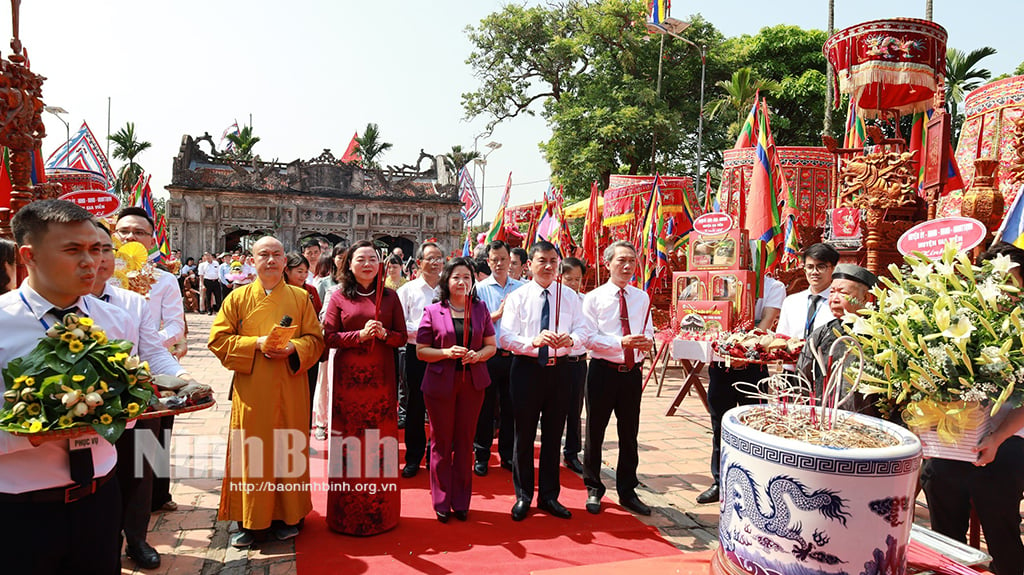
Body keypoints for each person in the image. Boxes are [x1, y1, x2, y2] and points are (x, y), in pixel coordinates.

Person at [0, 200, 129, 574]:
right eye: (73, 250)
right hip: (20, 509)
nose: (92, 262)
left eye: (97, 249)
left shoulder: (113, 321)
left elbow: (127, 412)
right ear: (29, 256)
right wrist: (33, 434)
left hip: (100, 497)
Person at [91, 222, 209, 570]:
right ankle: (105, 540)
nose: (97, 259)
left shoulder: (137, 299)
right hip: (90, 403)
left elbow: (159, 343)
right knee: (101, 475)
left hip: (145, 389)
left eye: (103, 250)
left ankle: (138, 538)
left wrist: (182, 379)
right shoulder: (67, 298)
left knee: (141, 466)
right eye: (121, 234)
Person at [208, 236, 325, 548]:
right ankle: (250, 519)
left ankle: (290, 517)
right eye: (264, 255)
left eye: (277, 254)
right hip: (252, 388)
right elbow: (218, 341)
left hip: (290, 385)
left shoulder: (301, 299)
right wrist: (255, 344)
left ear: (285, 261)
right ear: (252, 260)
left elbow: (316, 341)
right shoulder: (237, 298)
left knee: (287, 449)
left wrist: (293, 347)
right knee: (252, 452)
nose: (271, 260)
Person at [921, 242, 1024, 575]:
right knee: (940, 497)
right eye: (991, 279)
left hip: (1009, 441)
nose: (1000, 289)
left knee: (999, 520)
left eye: (1010, 280)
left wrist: (996, 439)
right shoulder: (955, 318)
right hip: (954, 441)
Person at [500, 241, 592, 521]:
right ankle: (523, 495)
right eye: (542, 260)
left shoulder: (571, 296)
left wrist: (572, 339)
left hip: (560, 370)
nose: (549, 266)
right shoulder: (518, 296)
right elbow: (505, 337)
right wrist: (533, 341)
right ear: (530, 264)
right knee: (524, 435)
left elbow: (585, 329)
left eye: (554, 260)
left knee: (553, 435)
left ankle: (549, 496)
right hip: (527, 369)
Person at [322, 240, 407, 535]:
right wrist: (358, 336)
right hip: (348, 382)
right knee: (349, 443)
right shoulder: (338, 297)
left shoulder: (391, 298)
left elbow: (402, 338)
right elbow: (329, 337)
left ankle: (380, 514)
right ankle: (345, 514)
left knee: (378, 444)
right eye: (361, 259)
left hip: (381, 381)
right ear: (349, 264)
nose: (367, 264)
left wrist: (384, 334)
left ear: (379, 264)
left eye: (372, 258)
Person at [113, 207, 187, 514]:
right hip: (109, 368)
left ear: (152, 239)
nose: (131, 237)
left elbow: (175, 325)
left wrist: (147, 342)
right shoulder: (103, 278)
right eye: (124, 231)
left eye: (139, 232)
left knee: (154, 436)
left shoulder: (164, 280)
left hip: (152, 367)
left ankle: (155, 497)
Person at [416, 257, 496, 522]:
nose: (462, 282)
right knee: (441, 442)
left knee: (464, 443)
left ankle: (461, 500)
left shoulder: (480, 309)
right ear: (447, 281)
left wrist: (479, 355)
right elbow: (421, 351)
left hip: (472, 384)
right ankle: (440, 499)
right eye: (456, 277)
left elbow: (491, 345)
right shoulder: (433, 311)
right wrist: (445, 352)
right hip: (440, 384)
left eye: (467, 278)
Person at [697, 273, 786, 505]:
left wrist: (741, 352)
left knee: (754, 426)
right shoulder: (717, 280)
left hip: (753, 366)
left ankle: (754, 484)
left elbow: (764, 325)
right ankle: (719, 482)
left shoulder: (772, 286)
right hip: (721, 365)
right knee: (719, 425)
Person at [580, 242, 653, 516]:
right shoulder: (594, 298)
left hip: (631, 374)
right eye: (621, 260)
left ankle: (627, 489)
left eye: (632, 261)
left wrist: (647, 342)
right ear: (607, 263)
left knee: (629, 434)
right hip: (602, 371)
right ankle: (594, 488)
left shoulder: (641, 297)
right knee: (595, 433)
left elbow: (648, 329)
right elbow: (588, 337)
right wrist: (619, 342)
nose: (627, 266)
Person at [473, 240, 525, 476]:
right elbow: (475, 324)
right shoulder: (480, 289)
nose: (500, 264)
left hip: (515, 357)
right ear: (488, 261)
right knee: (485, 408)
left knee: (511, 408)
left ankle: (507, 455)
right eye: (495, 260)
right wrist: (497, 314)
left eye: (504, 259)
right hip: (488, 356)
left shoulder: (523, 288)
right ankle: (482, 455)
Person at [397, 241, 445, 478]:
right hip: (416, 353)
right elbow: (398, 324)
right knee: (415, 407)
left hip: (445, 356)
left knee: (441, 408)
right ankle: (413, 457)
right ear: (418, 263)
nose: (436, 263)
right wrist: (426, 329)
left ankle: (437, 457)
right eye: (431, 259)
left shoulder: (449, 289)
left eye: (439, 258)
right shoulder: (408, 290)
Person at [796, 264, 876, 399]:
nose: (834, 299)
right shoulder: (822, 332)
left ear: (865, 298)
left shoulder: (878, 332)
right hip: (825, 413)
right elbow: (803, 376)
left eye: (843, 293)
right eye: (832, 292)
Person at [285, 252, 323, 434]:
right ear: (287, 271)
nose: (303, 275)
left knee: (307, 394)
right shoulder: (279, 292)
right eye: (299, 271)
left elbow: (318, 315)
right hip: (284, 350)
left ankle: (304, 432)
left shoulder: (311, 292)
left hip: (307, 349)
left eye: (305, 271)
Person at [776, 243, 840, 342]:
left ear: (833, 268)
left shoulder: (839, 302)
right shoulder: (791, 302)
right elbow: (781, 338)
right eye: (810, 267)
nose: (815, 272)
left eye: (821, 267)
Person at [560, 257, 588, 474]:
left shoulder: (585, 301)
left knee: (575, 409)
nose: (573, 284)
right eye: (568, 279)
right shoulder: (554, 300)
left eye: (577, 279)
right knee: (554, 409)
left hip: (578, 362)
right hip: (557, 362)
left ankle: (572, 453)